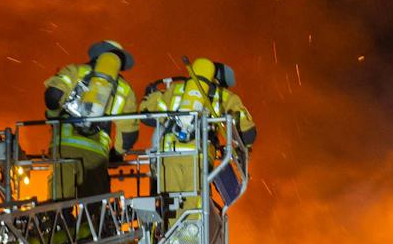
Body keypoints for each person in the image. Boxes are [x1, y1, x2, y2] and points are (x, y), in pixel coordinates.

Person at [140, 57, 257, 216]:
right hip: (198, 158)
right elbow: (248, 131)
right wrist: (243, 148)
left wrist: (151, 95)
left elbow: (147, 113)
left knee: (169, 202)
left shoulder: (176, 90)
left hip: (168, 155)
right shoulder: (223, 95)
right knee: (194, 206)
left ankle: (166, 234)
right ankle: (185, 240)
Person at [43, 40, 141, 200]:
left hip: (64, 148)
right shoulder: (124, 89)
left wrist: (52, 117)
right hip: (97, 155)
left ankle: (61, 221)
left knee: (59, 204)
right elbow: (129, 136)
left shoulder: (75, 70)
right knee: (94, 209)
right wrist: (115, 153)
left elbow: (52, 96)